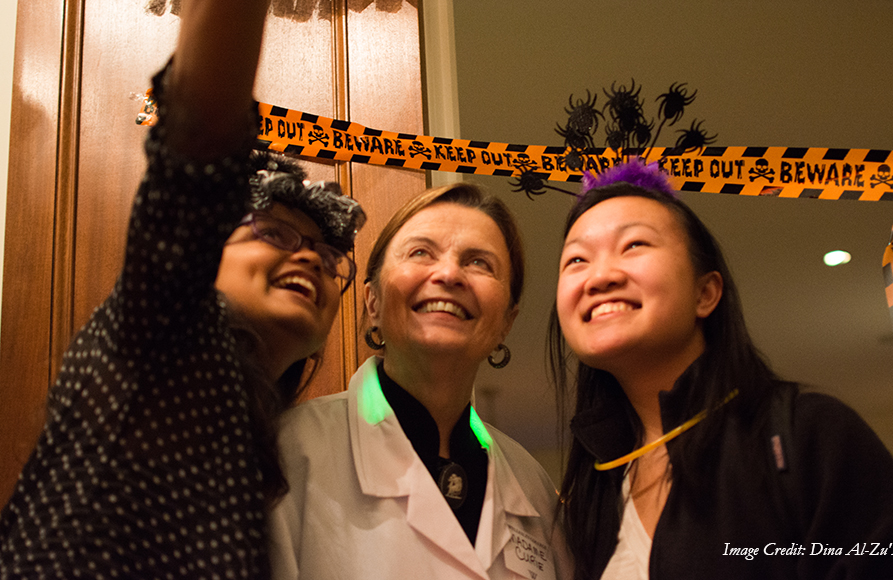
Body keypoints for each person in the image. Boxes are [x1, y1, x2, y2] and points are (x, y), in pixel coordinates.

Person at [0, 0, 364, 576]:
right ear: (202, 242)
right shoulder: (164, 333)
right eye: (274, 232)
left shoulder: (257, 448)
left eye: (326, 255)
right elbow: (200, 136)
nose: (312, 261)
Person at [549, 158, 893, 579]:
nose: (599, 276)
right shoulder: (593, 487)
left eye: (634, 245)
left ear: (706, 293)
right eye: (577, 260)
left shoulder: (808, 431)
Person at [268, 183, 572, 579]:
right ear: (372, 302)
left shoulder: (532, 489)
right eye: (420, 252)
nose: (449, 274)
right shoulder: (287, 453)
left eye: (480, 263)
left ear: (506, 323)